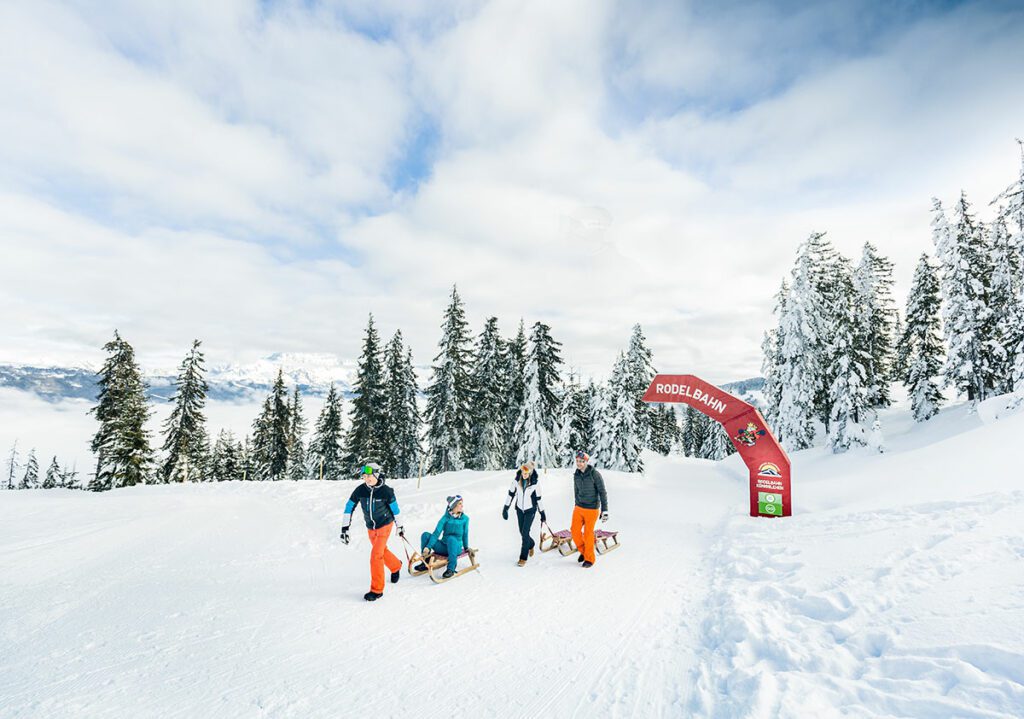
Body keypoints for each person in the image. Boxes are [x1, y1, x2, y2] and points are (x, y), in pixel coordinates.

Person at [340, 462, 405, 602]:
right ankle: (396, 566)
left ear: (376, 474)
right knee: (381, 551)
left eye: (369, 475)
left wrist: (400, 526)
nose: (367, 479)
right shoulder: (360, 490)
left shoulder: (386, 491)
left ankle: (377, 590)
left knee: (376, 555)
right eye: (364, 476)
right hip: (370, 527)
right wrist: (345, 528)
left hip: (385, 525)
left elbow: (395, 510)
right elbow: (349, 507)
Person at [502, 461, 547, 566]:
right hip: (519, 510)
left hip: (530, 510)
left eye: (527, 472)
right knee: (522, 532)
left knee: (525, 532)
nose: (524, 474)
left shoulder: (535, 483)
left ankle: (523, 557)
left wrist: (542, 513)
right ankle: (531, 544)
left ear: (531, 472)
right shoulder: (516, 481)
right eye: (523, 471)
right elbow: (511, 494)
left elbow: (538, 499)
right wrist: (505, 508)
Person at [417, 495, 470, 579]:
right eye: (460, 504)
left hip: (456, 548)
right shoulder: (445, 518)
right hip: (444, 547)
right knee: (425, 535)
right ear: (454, 506)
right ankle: (425, 561)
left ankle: (451, 569)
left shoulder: (465, 519)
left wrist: (466, 547)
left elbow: (465, 534)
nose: (462, 506)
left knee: (451, 539)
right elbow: (436, 533)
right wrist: (428, 547)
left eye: (462, 503)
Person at [571, 450, 608, 568]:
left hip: (592, 509)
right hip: (579, 507)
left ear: (586, 461)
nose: (579, 463)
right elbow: (576, 491)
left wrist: (605, 510)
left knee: (588, 534)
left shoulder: (594, 474)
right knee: (574, 531)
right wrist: (576, 504)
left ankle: (590, 559)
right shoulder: (576, 475)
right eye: (577, 461)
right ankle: (584, 552)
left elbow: (602, 492)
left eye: (582, 461)